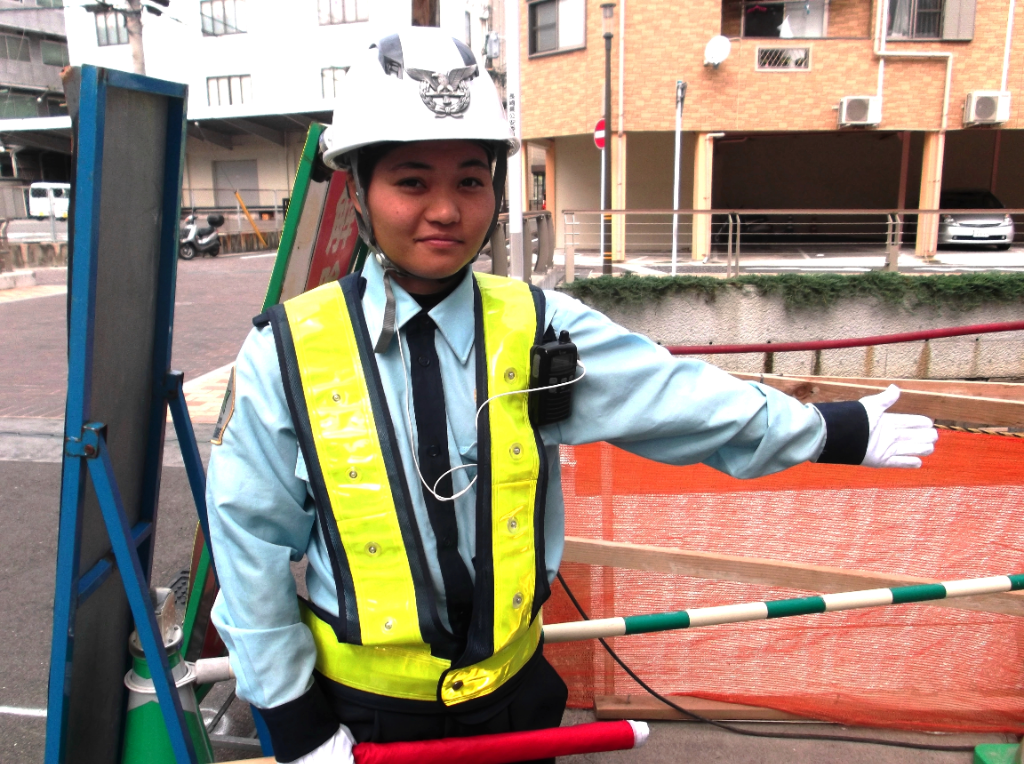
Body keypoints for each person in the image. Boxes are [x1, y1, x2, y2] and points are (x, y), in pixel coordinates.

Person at [205, 28, 937, 764]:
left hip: (514, 705)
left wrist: (826, 430)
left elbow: (678, 396)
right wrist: (294, 717)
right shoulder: (289, 350)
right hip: (364, 719)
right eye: (412, 182)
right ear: (359, 191)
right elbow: (249, 540)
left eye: (470, 181)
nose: (446, 210)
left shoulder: (540, 327)